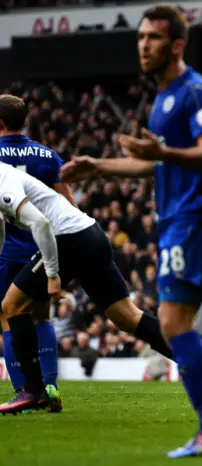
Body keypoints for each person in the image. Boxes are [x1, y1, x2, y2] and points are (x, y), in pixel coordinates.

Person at [60, 5, 202, 458]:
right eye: (140, 38)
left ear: (176, 44)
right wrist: (101, 166)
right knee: (175, 326)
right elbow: (152, 161)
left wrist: (165, 151)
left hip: (195, 217)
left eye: (153, 38)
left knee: (175, 326)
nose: (144, 45)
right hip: (178, 219)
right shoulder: (162, 98)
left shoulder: (195, 92)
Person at [0, 163, 174, 415]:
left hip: (68, 238)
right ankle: (197, 359)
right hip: (90, 234)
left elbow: (41, 224)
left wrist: (52, 274)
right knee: (126, 316)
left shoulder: (3, 181)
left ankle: (34, 391)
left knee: (12, 306)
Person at [0, 94, 77, 411]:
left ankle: (23, 390)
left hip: (6, 248)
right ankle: (50, 384)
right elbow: (69, 207)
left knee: (7, 315)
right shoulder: (47, 156)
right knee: (42, 316)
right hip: (42, 250)